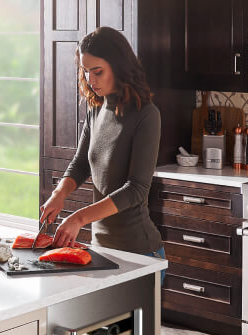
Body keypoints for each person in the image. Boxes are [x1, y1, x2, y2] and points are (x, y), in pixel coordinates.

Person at [39, 27, 165, 259]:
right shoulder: (96, 109)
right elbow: (80, 164)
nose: (90, 80)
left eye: (97, 71)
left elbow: (136, 189)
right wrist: (59, 193)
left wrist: (79, 218)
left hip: (141, 253)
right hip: (101, 248)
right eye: (85, 72)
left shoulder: (147, 115)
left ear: (119, 67)